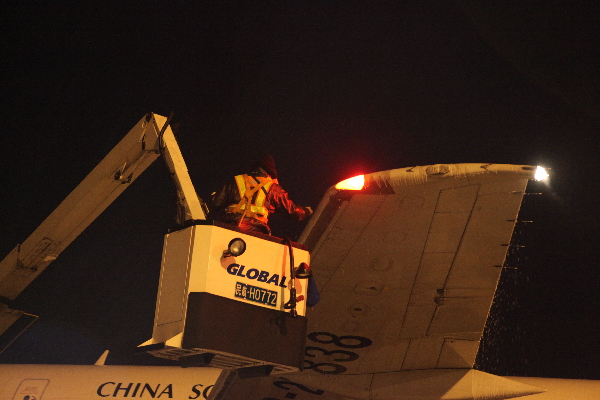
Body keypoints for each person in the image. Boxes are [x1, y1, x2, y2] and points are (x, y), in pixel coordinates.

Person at [210, 154, 313, 235]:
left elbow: (216, 203)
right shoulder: (272, 187)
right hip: (256, 233)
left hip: (227, 228)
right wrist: (306, 211)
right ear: (270, 172)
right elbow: (292, 211)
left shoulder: (236, 180)